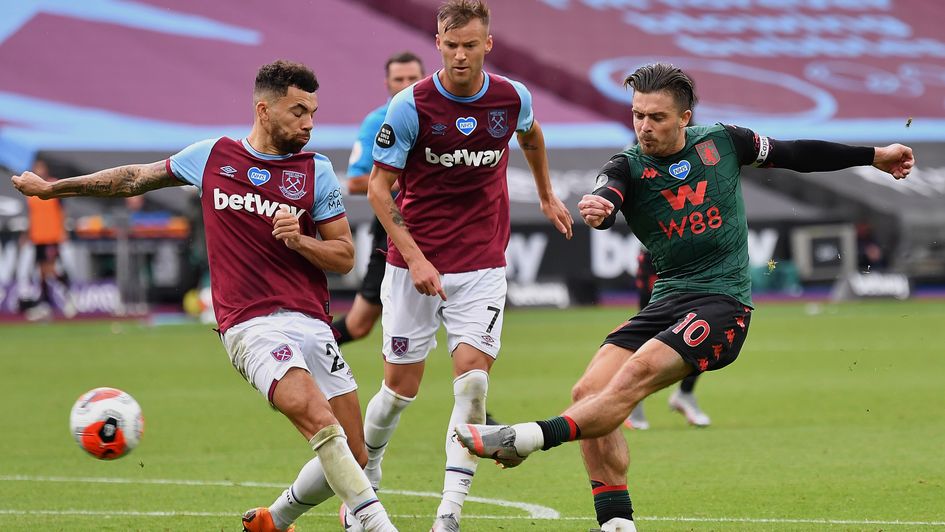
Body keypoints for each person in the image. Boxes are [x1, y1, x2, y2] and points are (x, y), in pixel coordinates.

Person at [455, 62, 914, 532]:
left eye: (656, 117)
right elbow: (609, 194)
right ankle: (616, 525)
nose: (644, 127)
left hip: (723, 302)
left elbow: (796, 152)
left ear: (684, 118)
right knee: (587, 393)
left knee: (633, 377)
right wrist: (601, 209)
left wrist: (874, 155)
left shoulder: (724, 142)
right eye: (638, 115)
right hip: (667, 299)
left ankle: (527, 437)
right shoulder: (626, 165)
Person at [12, 60, 398, 532]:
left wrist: (300, 241)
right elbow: (134, 178)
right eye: (298, 112)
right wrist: (53, 189)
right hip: (250, 325)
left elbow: (344, 257)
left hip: (312, 322)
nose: (309, 123)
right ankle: (380, 526)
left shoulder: (315, 171)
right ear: (264, 110)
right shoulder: (213, 156)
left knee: (355, 453)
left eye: (313, 113)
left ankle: (274, 521)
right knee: (318, 419)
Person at [355, 1, 573, 530]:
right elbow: (379, 191)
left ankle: (449, 512)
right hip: (413, 266)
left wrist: (546, 195)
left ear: (487, 44)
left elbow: (532, 135)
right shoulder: (410, 106)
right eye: (450, 45)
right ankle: (368, 474)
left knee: (473, 384)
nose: (459, 55)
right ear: (437, 43)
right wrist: (416, 259)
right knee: (397, 392)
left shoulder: (511, 97)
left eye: (470, 45)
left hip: (481, 263)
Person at [332, 51, 425, 346]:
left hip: (440, 223)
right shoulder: (378, 121)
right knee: (359, 324)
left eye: (412, 78)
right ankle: (306, 348)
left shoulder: (440, 113)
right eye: (399, 79)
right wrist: (407, 181)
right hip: (393, 226)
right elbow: (356, 181)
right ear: (387, 83)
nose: (406, 84)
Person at [624, 249, 709, 430]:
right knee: (649, 327)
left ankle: (685, 393)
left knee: (706, 324)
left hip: (693, 255)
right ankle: (631, 398)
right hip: (658, 253)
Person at [19, 158, 76, 320]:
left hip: (52, 236)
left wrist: (63, 230)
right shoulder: (30, 191)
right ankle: (46, 304)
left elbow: (62, 210)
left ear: (46, 169)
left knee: (50, 270)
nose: (39, 171)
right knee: (42, 273)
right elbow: (31, 215)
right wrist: (27, 234)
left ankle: (69, 296)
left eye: (40, 168)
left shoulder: (53, 185)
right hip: (38, 237)